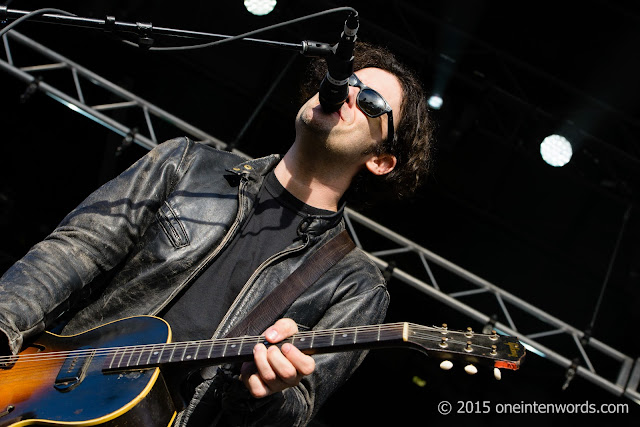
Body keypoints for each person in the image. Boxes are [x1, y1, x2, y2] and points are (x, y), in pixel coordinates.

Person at [0, 41, 433, 426]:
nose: (349, 91)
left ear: (381, 161)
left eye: (372, 101)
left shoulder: (355, 285)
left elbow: (296, 410)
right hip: (38, 395)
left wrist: (262, 391)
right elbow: (76, 250)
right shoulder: (184, 164)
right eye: (349, 79)